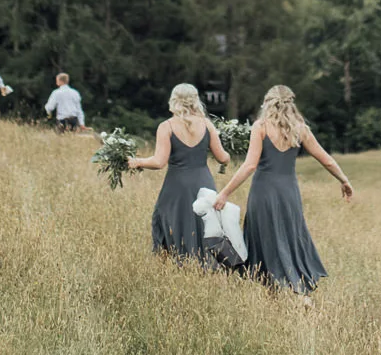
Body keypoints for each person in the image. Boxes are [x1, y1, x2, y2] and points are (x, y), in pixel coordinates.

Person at [211, 85, 352, 295]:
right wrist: (344, 180)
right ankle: (295, 292)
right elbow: (327, 160)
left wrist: (224, 193)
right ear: (291, 104)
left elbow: (249, 165)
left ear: (267, 103)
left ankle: (279, 290)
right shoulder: (300, 129)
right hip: (289, 195)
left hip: (263, 193)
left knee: (265, 241)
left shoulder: (260, 127)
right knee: (289, 239)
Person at [128, 84, 232, 259]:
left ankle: (178, 263)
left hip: (176, 186)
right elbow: (223, 158)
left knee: (172, 222)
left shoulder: (166, 126)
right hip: (203, 183)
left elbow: (159, 162)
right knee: (203, 224)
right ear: (195, 100)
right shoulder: (207, 125)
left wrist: (137, 162)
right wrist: (228, 152)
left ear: (173, 101)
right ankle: (205, 262)